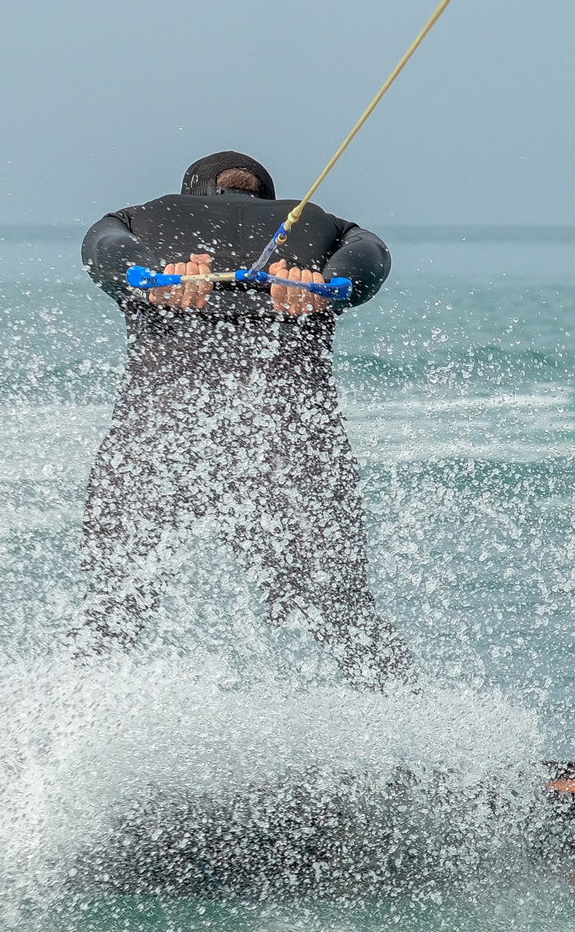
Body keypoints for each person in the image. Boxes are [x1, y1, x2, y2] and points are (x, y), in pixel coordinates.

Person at [73, 150, 413, 685]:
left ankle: (60, 743)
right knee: (342, 610)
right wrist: (327, 285)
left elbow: (102, 252)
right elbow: (372, 259)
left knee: (114, 604)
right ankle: (423, 742)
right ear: (267, 196)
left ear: (193, 191)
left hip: (162, 436)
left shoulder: (139, 219)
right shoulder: (324, 228)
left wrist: (151, 277)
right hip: (287, 442)